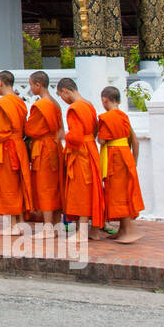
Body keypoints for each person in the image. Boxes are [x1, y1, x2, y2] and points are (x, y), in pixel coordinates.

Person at [56, 78, 106, 240]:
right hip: (91, 148)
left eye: (61, 95)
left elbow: (76, 137)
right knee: (91, 188)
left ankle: (82, 231)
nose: (62, 100)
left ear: (65, 91)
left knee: (81, 189)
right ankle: (90, 229)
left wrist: (64, 136)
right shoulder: (88, 105)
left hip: (80, 152)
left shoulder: (74, 108)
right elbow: (95, 130)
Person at [0, 70, 33, 234]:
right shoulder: (20, 102)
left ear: (0, 82)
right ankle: (19, 222)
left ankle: (13, 226)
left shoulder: (2, 103)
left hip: (7, 148)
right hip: (19, 146)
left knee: (9, 185)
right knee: (18, 183)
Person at [98, 86, 144, 244]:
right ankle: (123, 229)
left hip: (115, 157)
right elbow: (135, 142)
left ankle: (129, 230)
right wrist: (134, 162)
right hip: (126, 156)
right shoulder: (124, 116)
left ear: (105, 100)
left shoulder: (107, 117)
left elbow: (102, 140)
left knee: (118, 192)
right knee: (125, 190)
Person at [24, 70, 64, 230]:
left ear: (38, 85)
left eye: (31, 85)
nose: (31, 88)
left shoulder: (40, 105)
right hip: (55, 146)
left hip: (43, 149)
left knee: (44, 186)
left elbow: (31, 130)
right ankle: (56, 223)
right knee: (55, 185)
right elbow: (61, 128)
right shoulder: (55, 102)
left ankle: (48, 227)